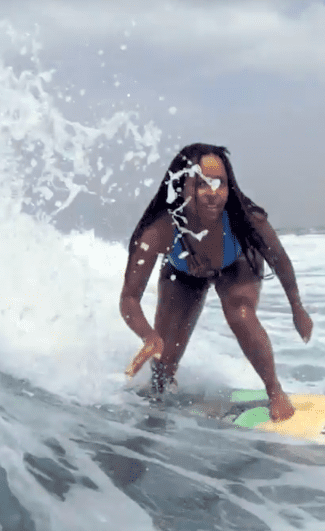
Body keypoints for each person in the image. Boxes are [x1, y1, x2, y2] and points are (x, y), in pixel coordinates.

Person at [119, 143, 313, 421]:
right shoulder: (159, 231)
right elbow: (129, 298)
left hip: (237, 264)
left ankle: (275, 391)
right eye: (202, 184)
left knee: (240, 314)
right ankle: (163, 391)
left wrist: (297, 308)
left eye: (220, 183)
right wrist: (149, 335)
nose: (213, 194)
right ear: (181, 186)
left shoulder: (245, 218)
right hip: (184, 272)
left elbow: (279, 260)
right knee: (162, 370)